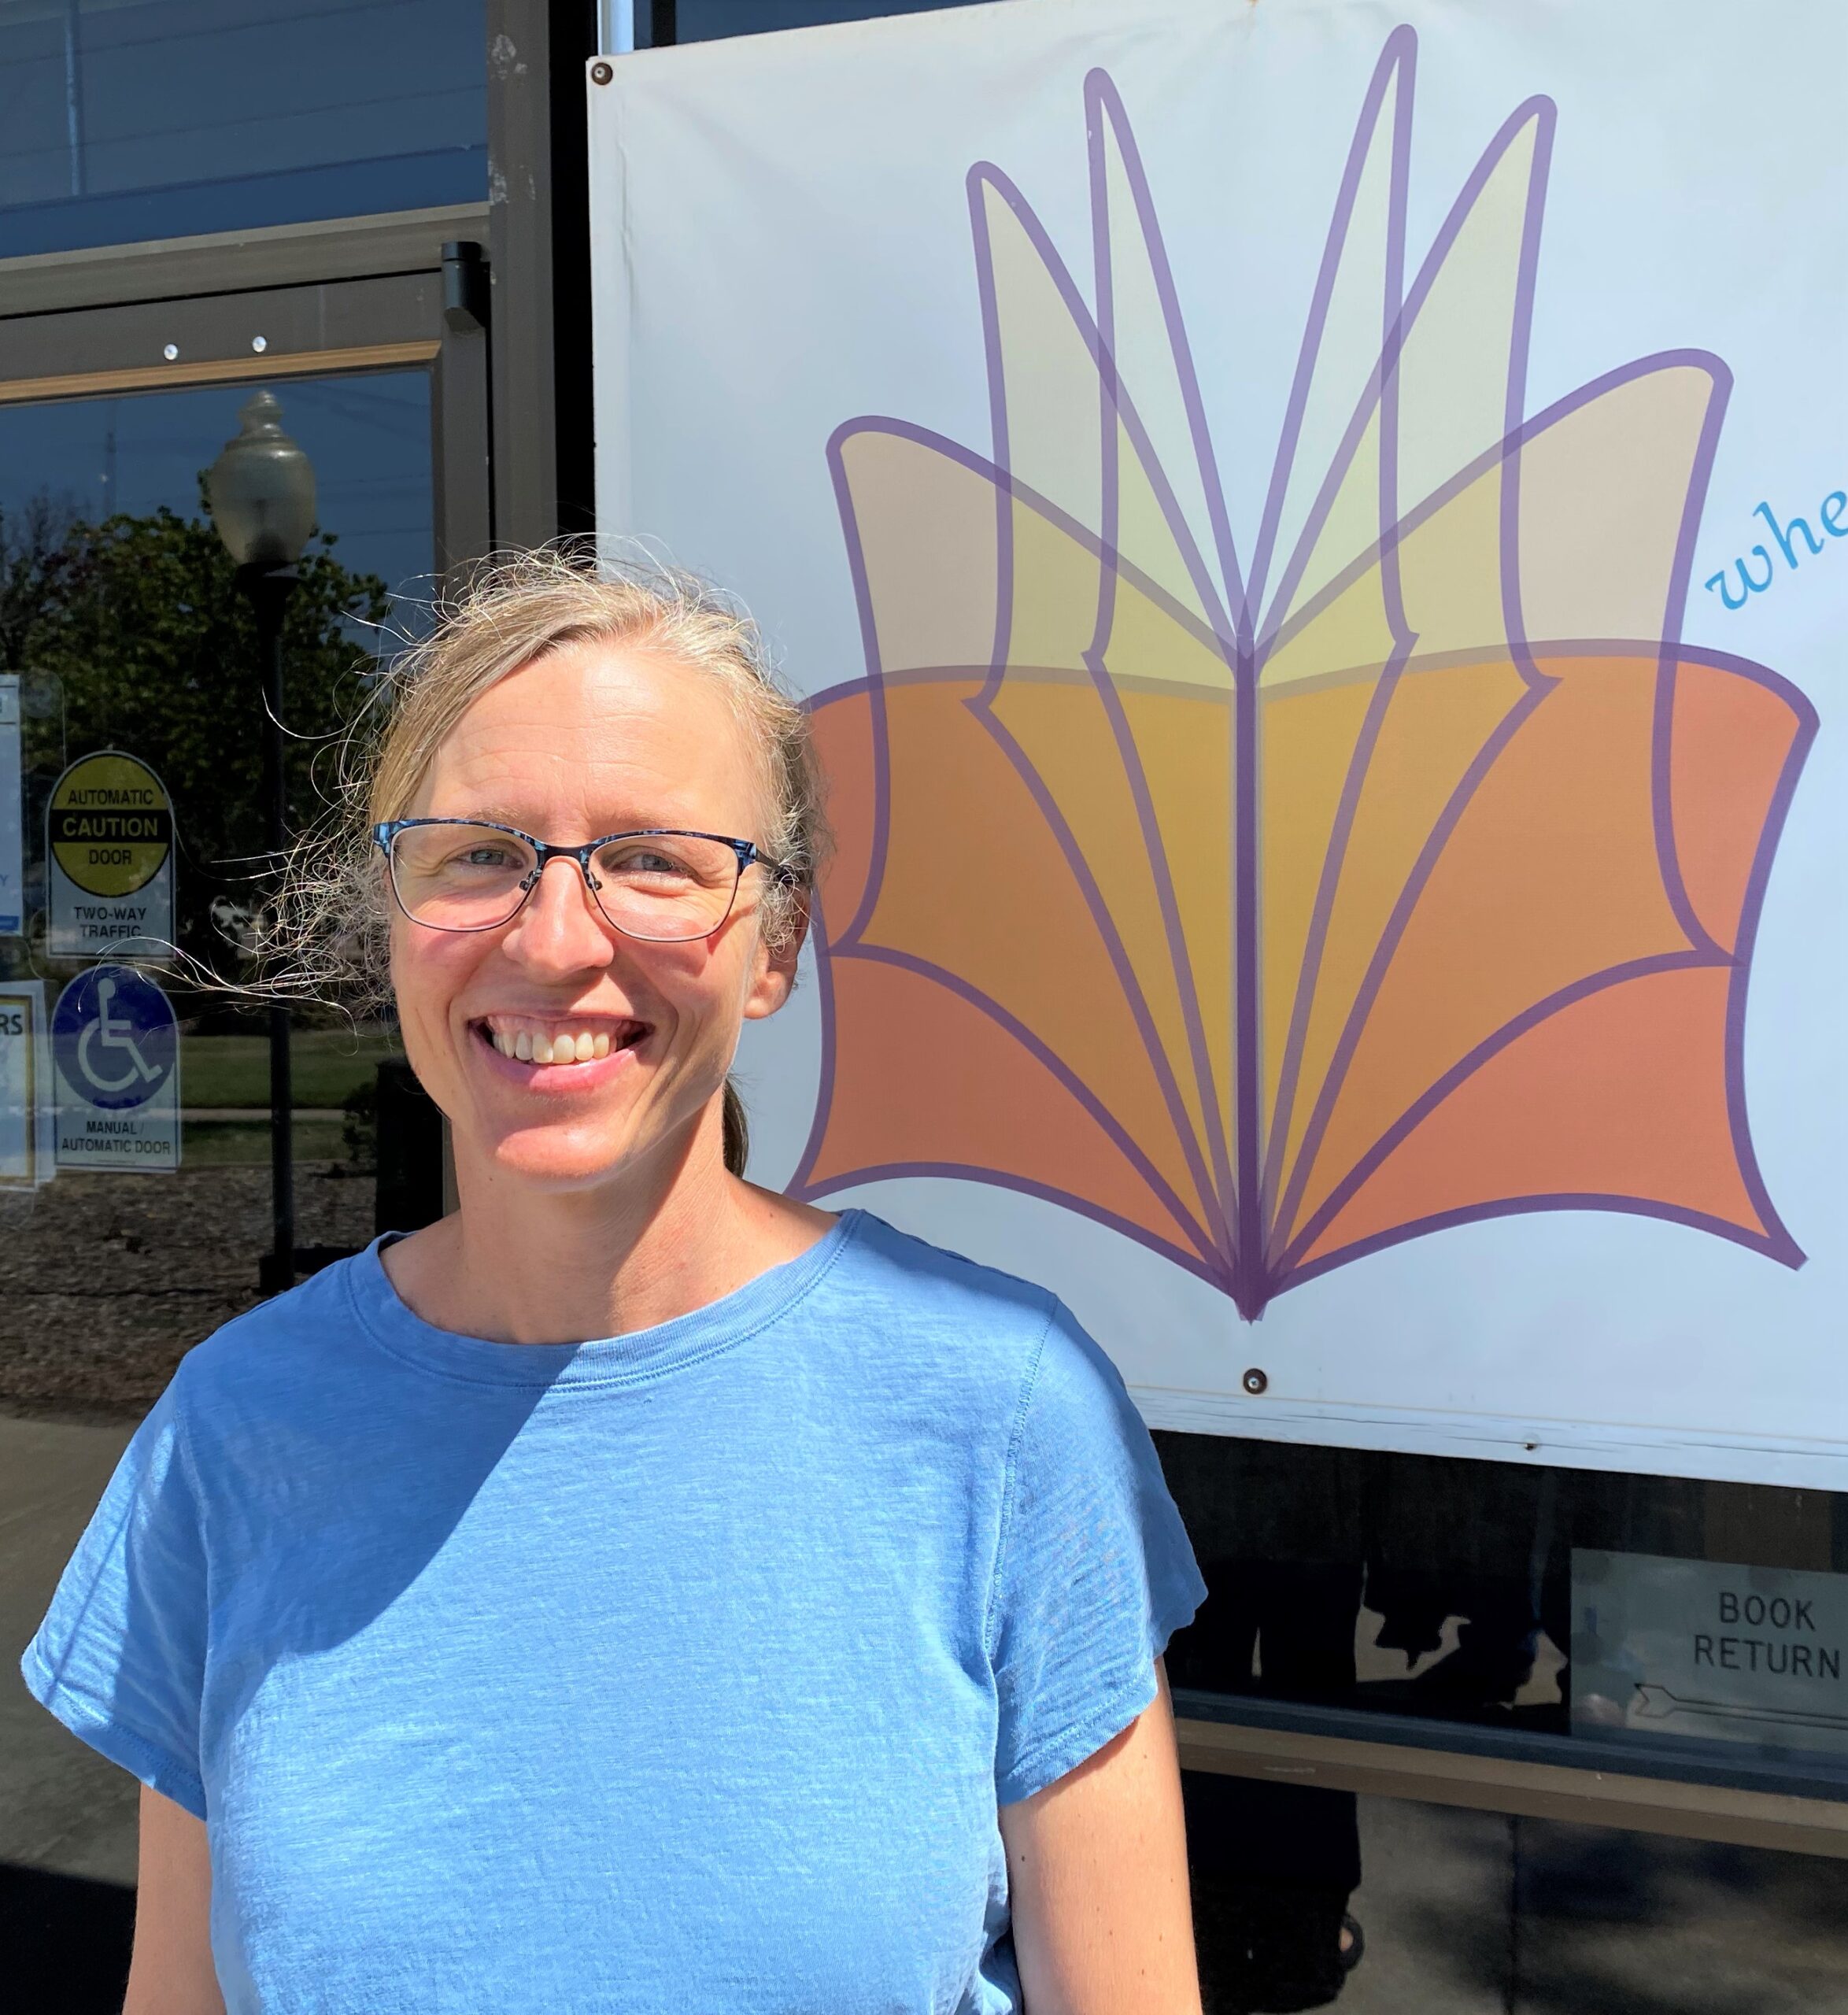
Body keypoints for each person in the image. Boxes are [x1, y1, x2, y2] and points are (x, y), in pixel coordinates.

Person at [20, 550, 1209, 2014]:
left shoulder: (1007, 1414)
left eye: (653, 858)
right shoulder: (239, 1426)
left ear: (773, 945)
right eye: (478, 854)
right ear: (394, 918)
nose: (555, 938)